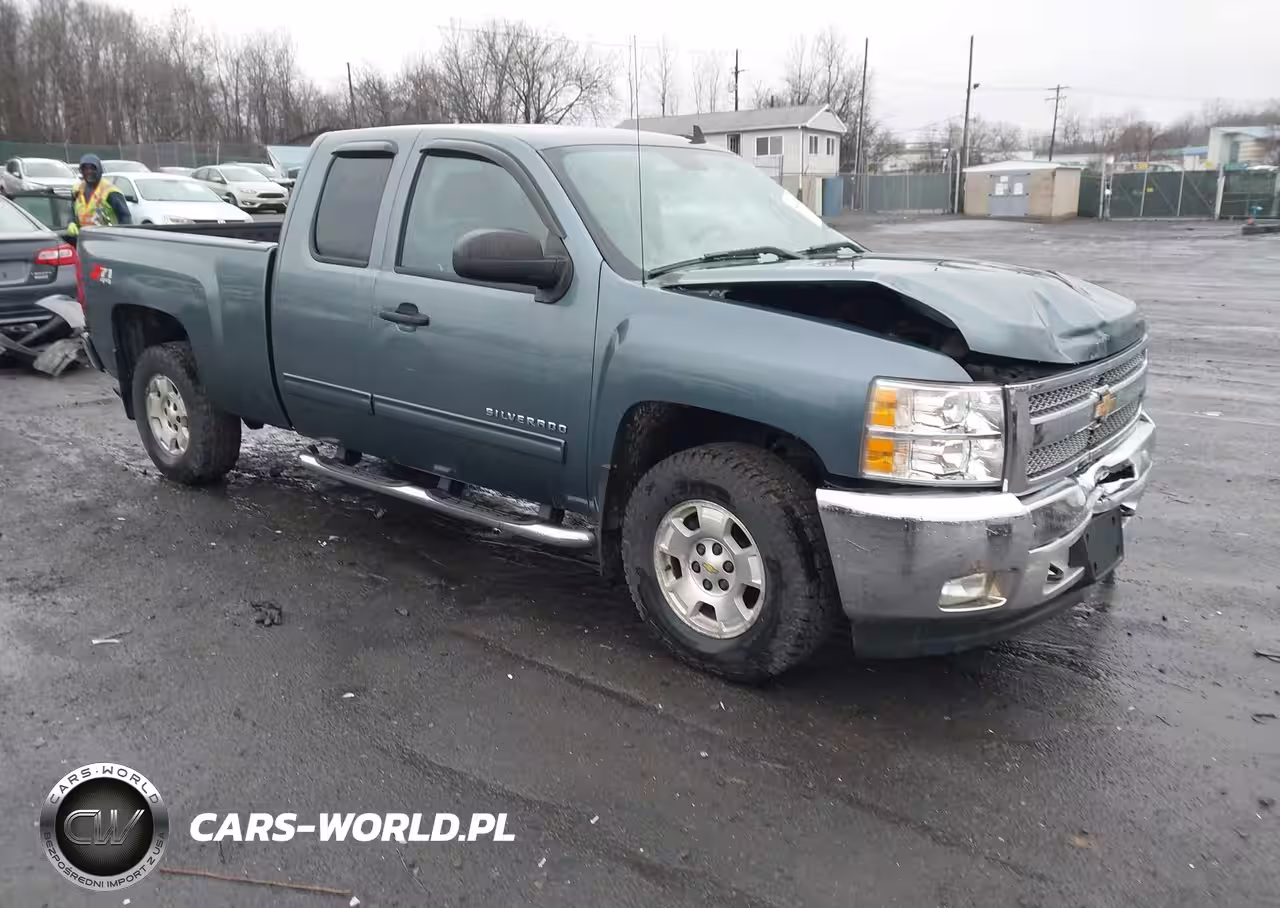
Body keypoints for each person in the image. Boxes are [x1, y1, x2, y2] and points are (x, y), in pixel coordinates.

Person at [67, 154, 130, 236]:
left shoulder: (111, 191)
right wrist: (71, 223)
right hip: (84, 237)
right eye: (85, 169)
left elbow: (125, 218)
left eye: (92, 168)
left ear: (99, 170)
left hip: (107, 239)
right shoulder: (77, 189)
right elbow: (73, 211)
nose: (89, 172)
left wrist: (122, 237)